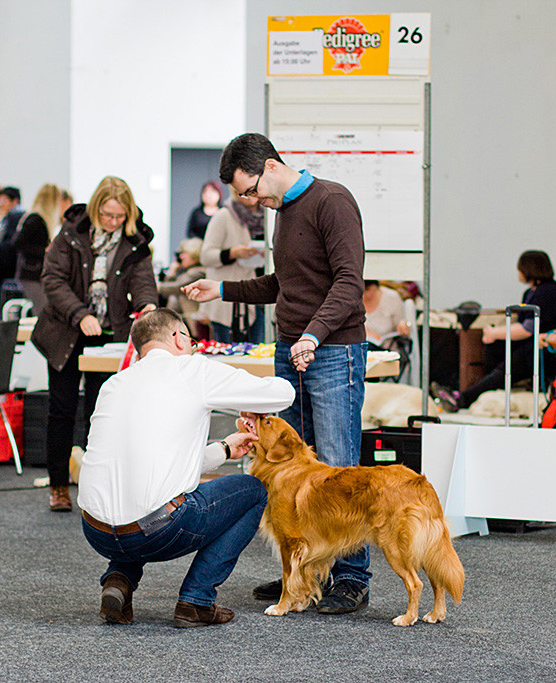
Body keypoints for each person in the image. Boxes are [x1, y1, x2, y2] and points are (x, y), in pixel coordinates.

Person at [184, 132, 371, 614]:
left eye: (250, 190)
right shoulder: (283, 215)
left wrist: (314, 335)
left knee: (336, 468)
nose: (251, 202)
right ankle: (301, 571)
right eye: (244, 196)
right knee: (293, 472)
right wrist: (221, 291)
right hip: (293, 350)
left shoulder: (332, 202)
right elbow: (283, 283)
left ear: (270, 166)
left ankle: (351, 576)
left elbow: (350, 282)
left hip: (332, 350)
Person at [78, 308, 295, 627]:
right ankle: (197, 600)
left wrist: (223, 449)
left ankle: (118, 579)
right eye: (191, 340)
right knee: (253, 491)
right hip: (155, 531)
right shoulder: (193, 369)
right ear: (179, 338)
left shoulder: (114, 384)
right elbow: (282, 394)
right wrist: (252, 404)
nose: (193, 347)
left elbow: (159, 461)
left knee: (136, 495)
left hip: (94, 530)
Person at [31, 175, 158, 513]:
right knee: (62, 408)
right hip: (67, 331)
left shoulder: (135, 241)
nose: (113, 222)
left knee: (101, 413)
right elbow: (52, 280)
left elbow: (144, 282)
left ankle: (96, 484)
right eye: (107, 215)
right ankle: (59, 485)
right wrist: (79, 313)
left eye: (119, 217)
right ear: (96, 208)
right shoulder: (72, 233)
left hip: (109, 336)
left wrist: (147, 305)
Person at [452, 251, 556, 410]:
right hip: (531, 345)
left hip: (547, 350)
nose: (518, 272)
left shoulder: (550, 292)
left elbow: (528, 329)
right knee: (496, 346)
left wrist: (493, 332)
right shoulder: (530, 292)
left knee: (514, 358)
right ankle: (493, 388)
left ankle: (463, 398)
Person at [199, 189, 265, 343]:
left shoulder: (266, 217)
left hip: (257, 295)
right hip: (227, 299)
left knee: (257, 352)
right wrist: (234, 253)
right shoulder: (224, 216)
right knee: (228, 354)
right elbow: (206, 256)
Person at [13, 183, 63, 315]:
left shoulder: (36, 219)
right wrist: (43, 251)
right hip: (31, 275)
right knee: (42, 311)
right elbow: (18, 243)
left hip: (34, 274)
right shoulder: (36, 220)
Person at [0, 186, 24, 313]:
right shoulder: (13, 217)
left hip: (8, 270)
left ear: (15, 201)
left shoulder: (14, 217)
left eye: (4, 200)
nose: (1, 204)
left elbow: (10, 243)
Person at [157, 238, 206, 316]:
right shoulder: (187, 272)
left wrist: (158, 286)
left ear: (194, 253)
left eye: (184, 253)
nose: (181, 256)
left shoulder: (199, 272)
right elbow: (168, 293)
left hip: (190, 317)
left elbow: (178, 287)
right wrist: (172, 272)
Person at [363, 280, 411, 347]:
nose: (364, 294)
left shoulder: (391, 297)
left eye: (367, 290)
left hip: (387, 348)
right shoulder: (352, 298)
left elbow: (399, 323)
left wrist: (403, 326)